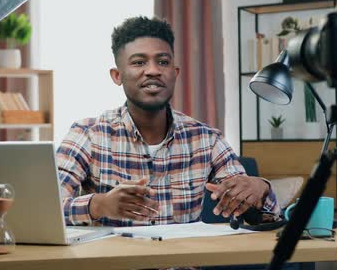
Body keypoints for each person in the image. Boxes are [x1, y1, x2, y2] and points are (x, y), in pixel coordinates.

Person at [56, 16, 280, 227]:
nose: (153, 70)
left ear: (175, 73)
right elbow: (43, 207)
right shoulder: (87, 134)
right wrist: (99, 205)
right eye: (139, 62)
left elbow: (257, 211)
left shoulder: (207, 139)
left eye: (162, 62)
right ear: (117, 76)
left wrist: (260, 189)